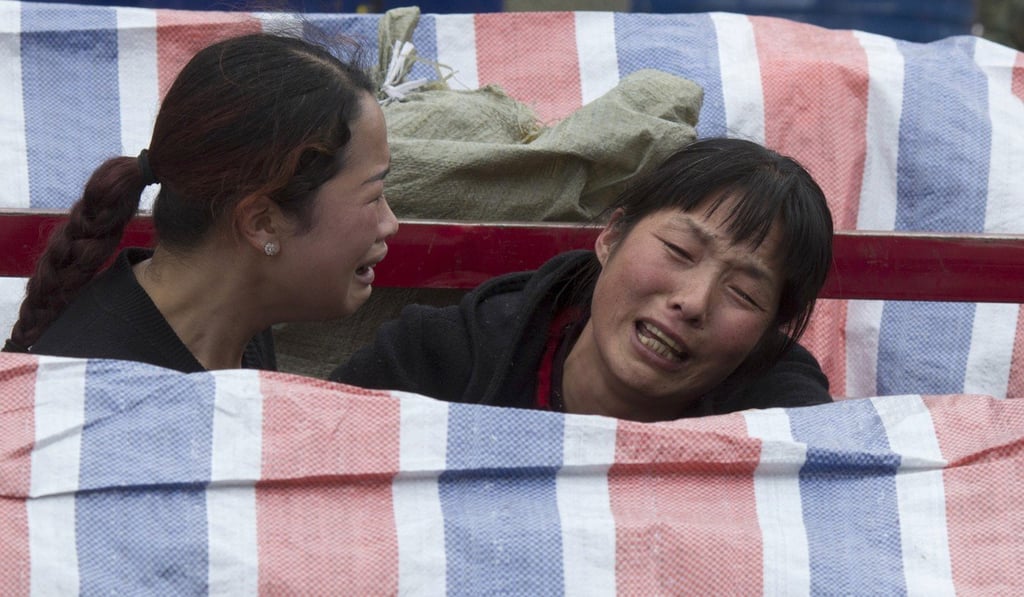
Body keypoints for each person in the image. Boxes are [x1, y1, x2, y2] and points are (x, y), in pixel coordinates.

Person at [331, 138, 833, 421]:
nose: (693, 302)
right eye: (680, 251)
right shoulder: (438, 359)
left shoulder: (786, 424)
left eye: (744, 293)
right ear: (612, 236)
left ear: (771, 331)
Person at [3, 33, 398, 372]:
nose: (390, 224)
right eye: (374, 195)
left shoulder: (237, 321)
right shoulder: (111, 391)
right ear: (262, 223)